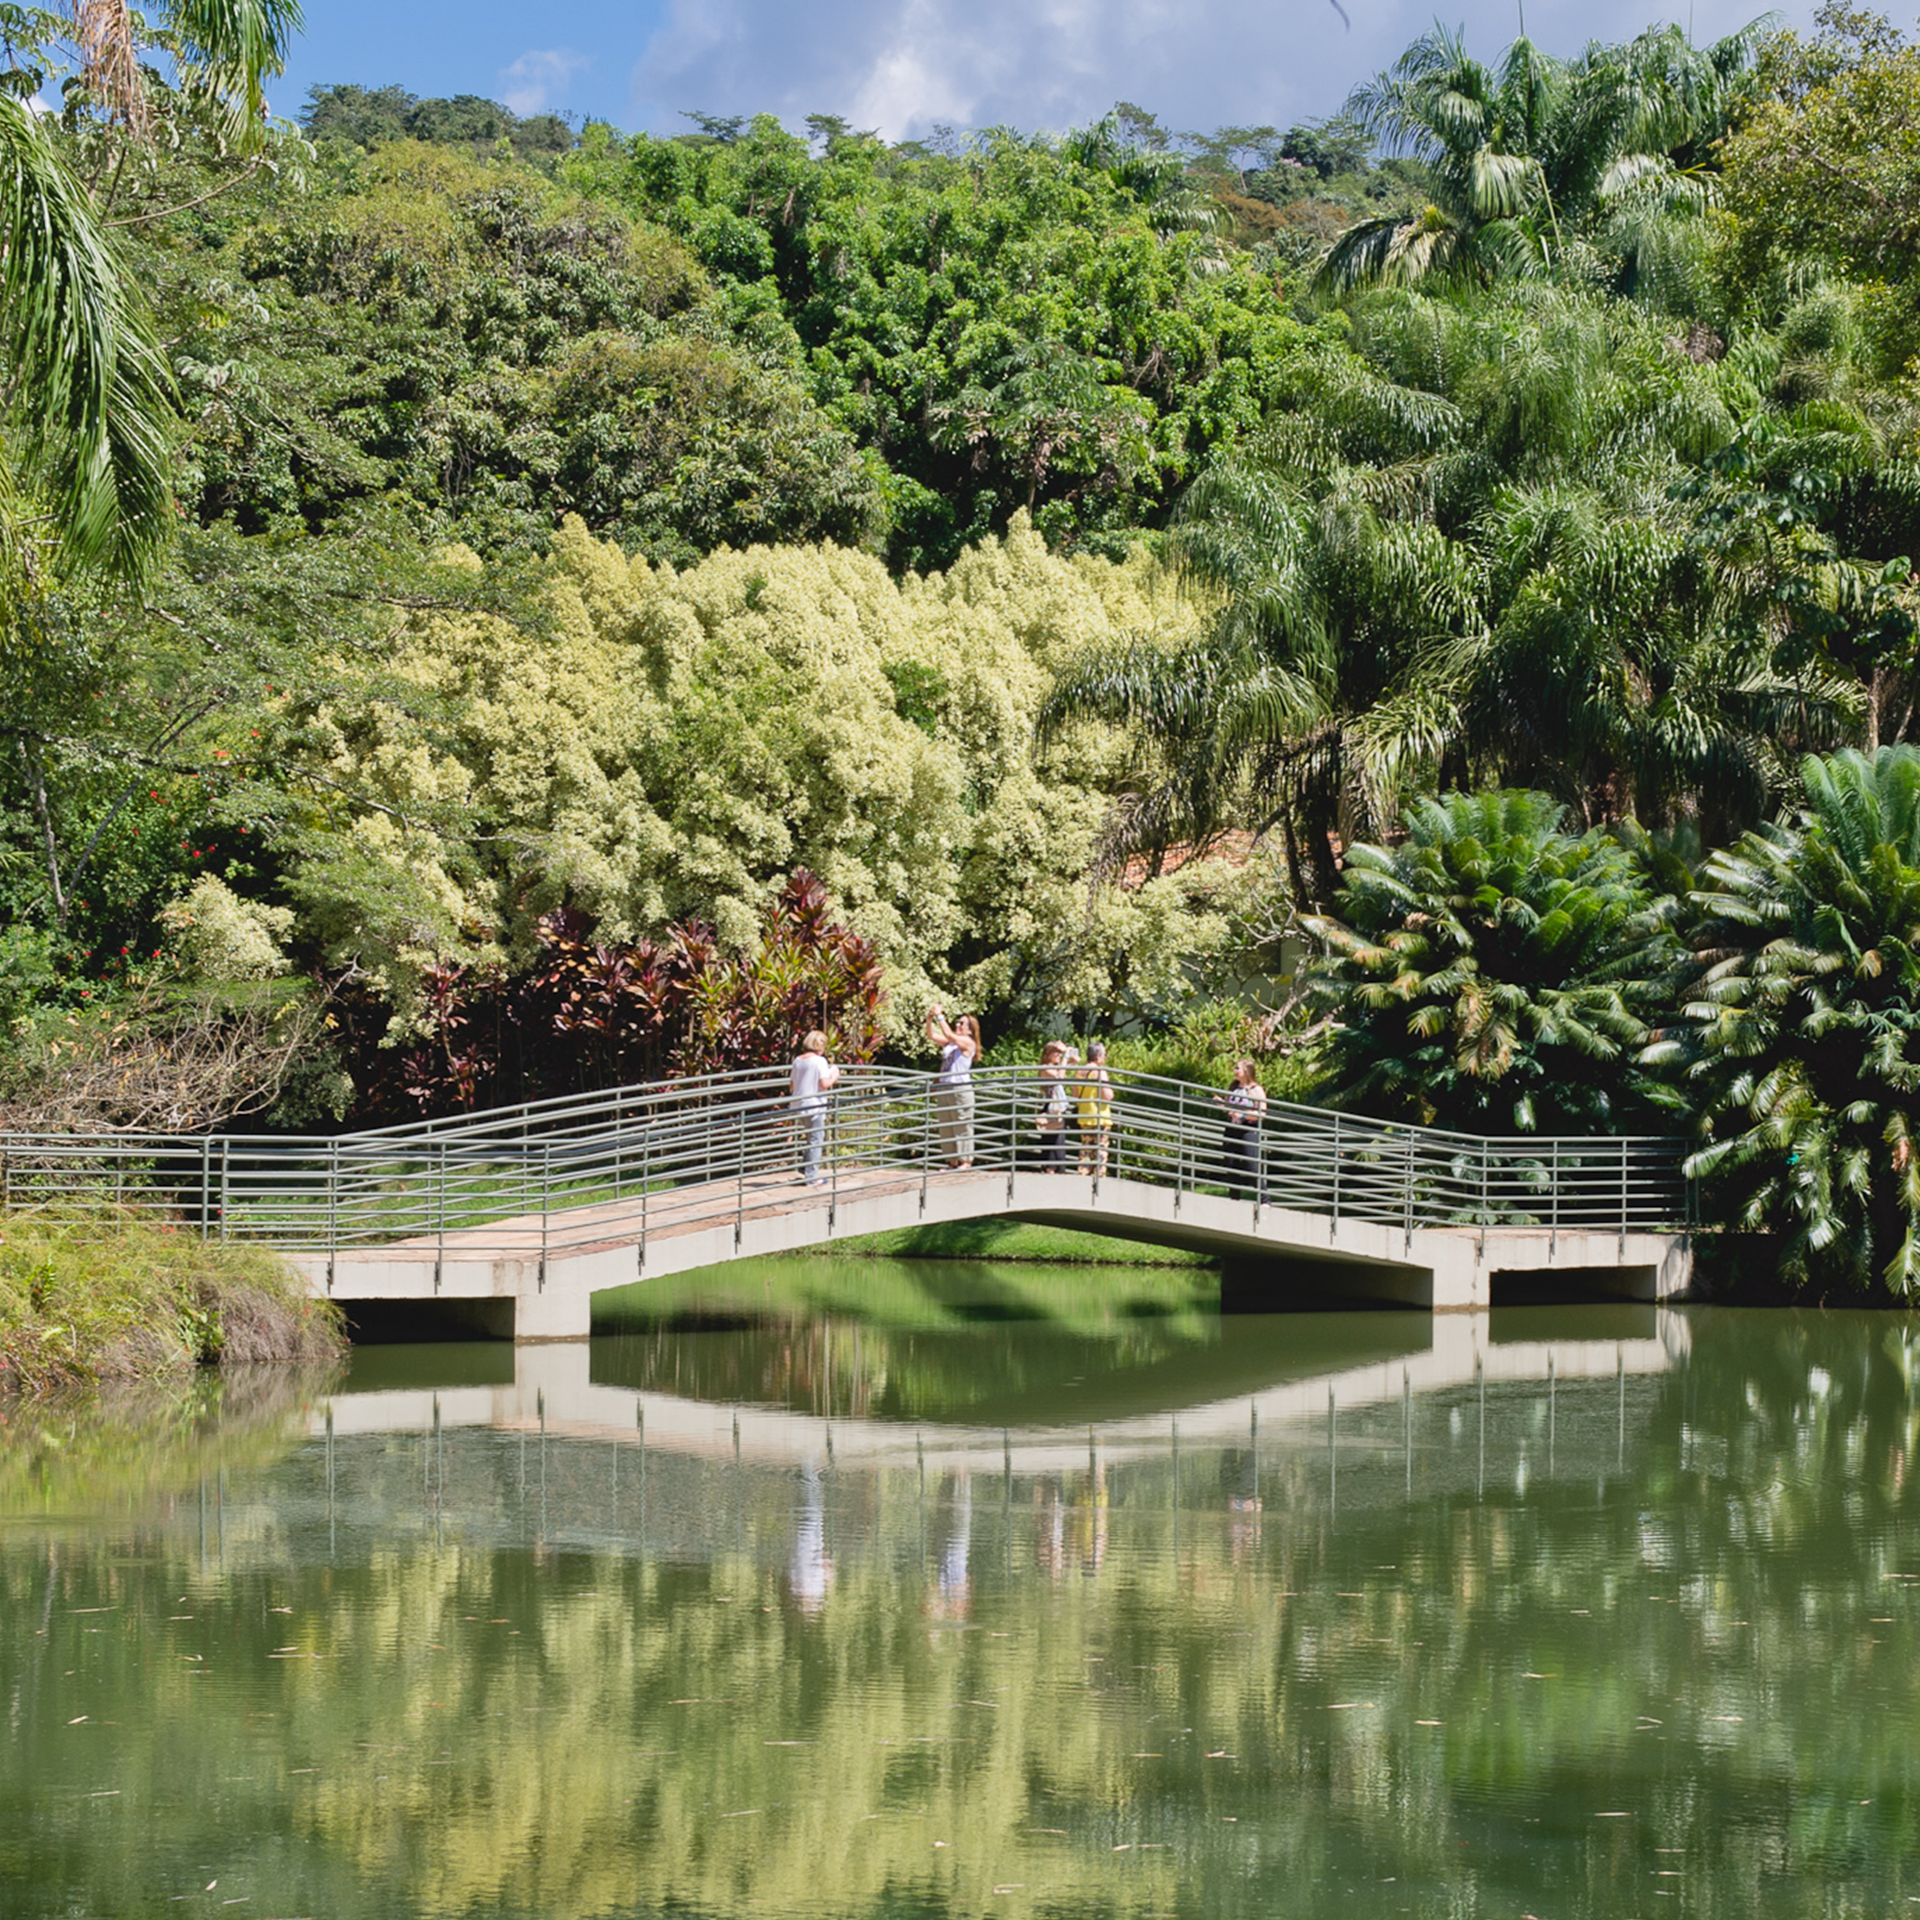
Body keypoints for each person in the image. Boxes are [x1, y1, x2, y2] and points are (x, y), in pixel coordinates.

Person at [925, 1004, 980, 1168]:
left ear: (970, 1030)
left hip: (960, 1088)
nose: (958, 1025)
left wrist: (940, 1015)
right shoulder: (950, 1044)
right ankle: (952, 1160)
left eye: (961, 1024)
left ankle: (966, 1160)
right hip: (945, 1087)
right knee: (946, 1125)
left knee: (962, 1125)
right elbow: (932, 1036)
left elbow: (948, 1033)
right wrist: (929, 1019)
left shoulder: (968, 1043)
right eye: (957, 1022)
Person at [789, 1029, 839, 1186]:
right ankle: (811, 1177)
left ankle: (806, 1167)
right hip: (815, 1106)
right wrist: (834, 1076)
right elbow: (824, 1084)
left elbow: (792, 1085)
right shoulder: (819, 1061)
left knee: (811, 1138)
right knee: (816, 1139)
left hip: (799, 1105)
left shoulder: (798, 1060)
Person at [1215, 1057, 1267, 1199]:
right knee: (1231, 1165)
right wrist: (1221, 1104)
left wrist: (1243, 1116)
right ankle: (1234, 1198)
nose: (1235, 1071)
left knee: (1252, 1166)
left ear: (1246, 1071)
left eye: (1237, 1068)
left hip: (1247, 1130)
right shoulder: (1233, 1088)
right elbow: (1229, 1108)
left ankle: (1264, 1199)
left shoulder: (1256, 1090)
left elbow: (1262, 1113)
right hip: (1232, 1129)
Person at [1075, 1041, 1114, 1177]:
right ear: (1098, 1056)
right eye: (1104, 1055)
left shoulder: (1079, 1071)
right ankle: (1099, 1176)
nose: (1105, 1058)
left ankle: (1083, 1173)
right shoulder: (1099, 1071)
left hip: (1084, 1115)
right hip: (1099, 1116)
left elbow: (1075, 1094)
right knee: (1100, 1148)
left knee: (1086, 1148)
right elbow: (1107, 1095)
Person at [1034, 1040, 1070, 1170]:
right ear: (1049, 1053)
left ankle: (1056, 1169)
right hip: (1052, 1108)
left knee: (1059, 1141)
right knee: (1053, 1141)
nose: (1060, 1055)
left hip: (1059, 1108)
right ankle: (1050, 1169)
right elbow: (1060, 1077)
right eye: (1057, 1053)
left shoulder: (1055, 1067)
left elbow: (1066, 1070)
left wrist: (1071, 1056)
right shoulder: (1045, 1068)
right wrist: (1065, 1057)